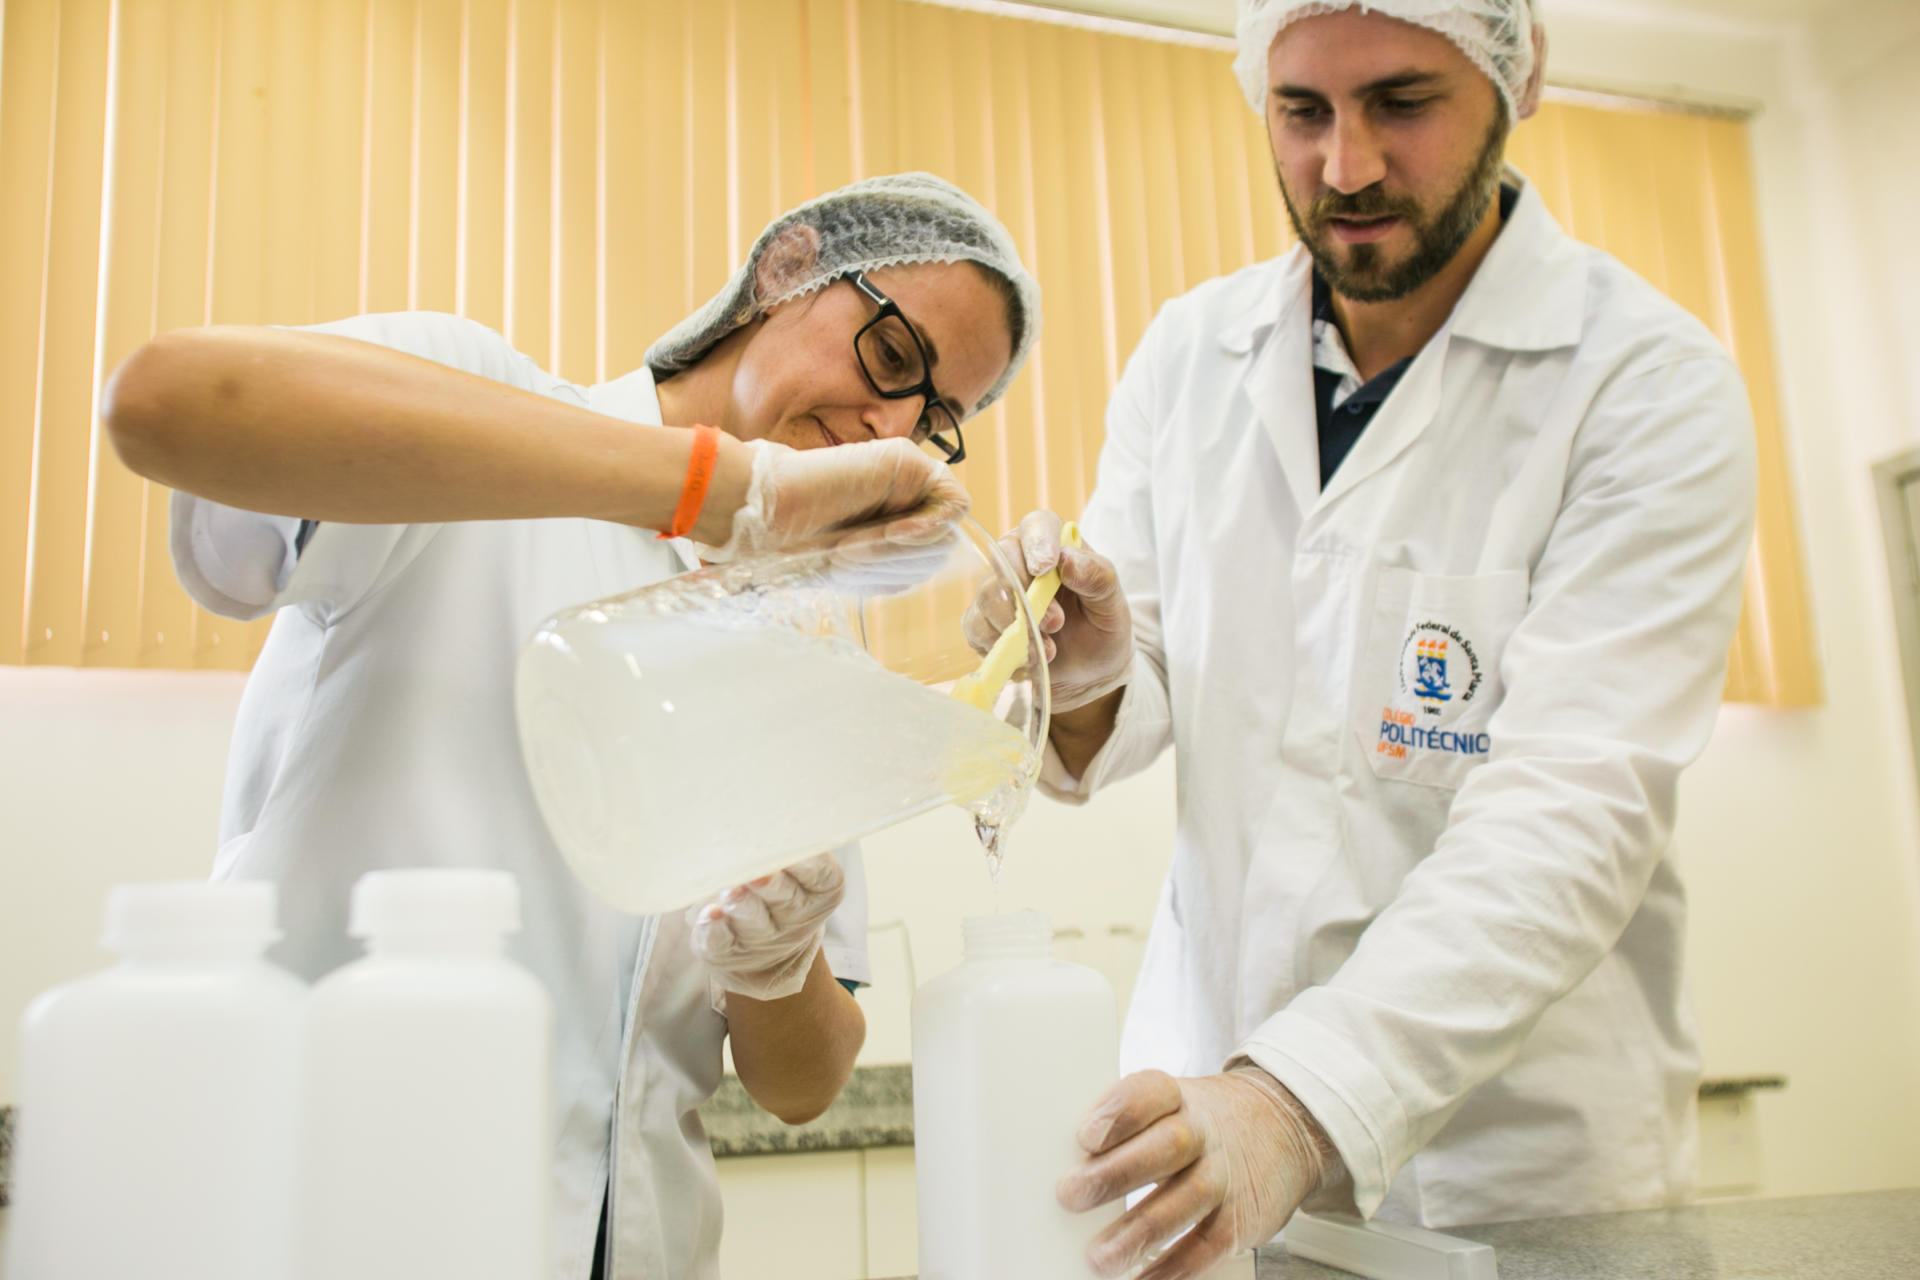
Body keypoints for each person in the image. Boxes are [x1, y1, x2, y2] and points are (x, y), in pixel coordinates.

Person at [103, 172, 1039, 1280]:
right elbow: (167, 400)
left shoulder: (815, 638)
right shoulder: (482, 407)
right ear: (788, 267)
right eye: (893, 360)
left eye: (936, 422)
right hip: (337, 1215)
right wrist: (717, 485)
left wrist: (779, 967)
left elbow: (804, 1083)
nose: (891, 423)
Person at [985, 2, 1758, 1275]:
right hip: (1212, 1136)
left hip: (1519, 1179)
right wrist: (1081, 675)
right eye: (1302, 111)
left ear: (1519, 80)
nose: (1345, 166)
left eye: (1402, 102)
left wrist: (1296, 1097)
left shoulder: (1644, 384)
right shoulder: (1192, 353)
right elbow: (1146, 687)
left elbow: (1571, 803)